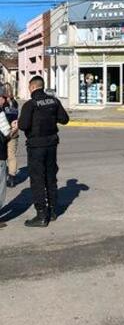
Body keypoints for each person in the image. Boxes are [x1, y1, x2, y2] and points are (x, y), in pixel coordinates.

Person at [18, 76, 70, 228]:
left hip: (36, 146)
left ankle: (41, 215)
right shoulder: (54, 101)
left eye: (29, 88)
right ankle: (53, 211)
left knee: (37, 180)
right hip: (51, 145)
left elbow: (23, 125)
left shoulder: (30, 104)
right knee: (50, 177)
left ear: (33, 87)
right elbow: (64, 119)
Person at [0, 94, 20, 188]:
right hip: (12, 133)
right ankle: (11, 177)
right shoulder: (14, 104)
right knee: (11, 155)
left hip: (7, 134)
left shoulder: (4, 108)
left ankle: (10, 177)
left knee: (8, 155)